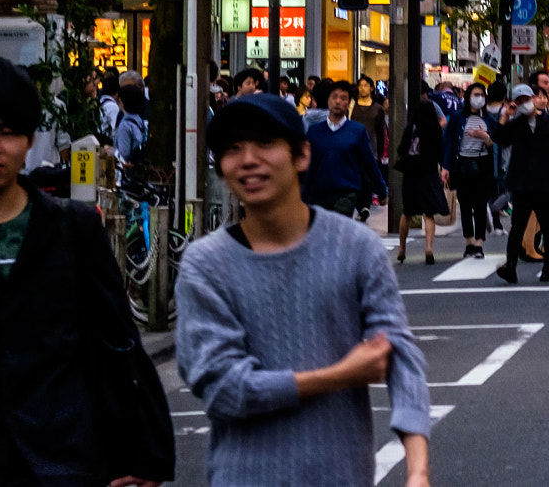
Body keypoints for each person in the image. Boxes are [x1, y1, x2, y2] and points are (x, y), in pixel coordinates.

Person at [0, 56, 173, 487]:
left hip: (67, 457)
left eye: (6, 131)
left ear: (29, 138)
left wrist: (138, 449)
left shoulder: (74, 229)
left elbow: (115, 341)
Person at [178, 92, 431, 487]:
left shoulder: (356, 248)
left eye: (264, 144)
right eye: (232, 149)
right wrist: (340, 375)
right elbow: (225, 388)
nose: (248, 160)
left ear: (302, 155)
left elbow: (399, 354)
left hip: (341, 476)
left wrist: (418, 469)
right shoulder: (205, 265)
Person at [492, 83, 549, 284]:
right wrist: (505, 116)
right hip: (522, 184)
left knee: (548, 227)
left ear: (534, 99)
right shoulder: (515, 124)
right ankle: (511, 266)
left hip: (546, 183)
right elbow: (499, 139)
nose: (524, 104)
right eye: (519, 102)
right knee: (517, 226)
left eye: (526, 99)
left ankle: (548, 267)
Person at [303, 79, 384, 217]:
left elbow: (369, 162)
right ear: (328, 100)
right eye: (334, 97)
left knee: (339, 226)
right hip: (320, 193)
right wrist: (303, 195)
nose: (338, 101)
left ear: (349, 103)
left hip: (346, 191)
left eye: (343, 98)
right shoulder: (314, 132)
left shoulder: (356, 131)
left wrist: (381, 189)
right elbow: (309, 165)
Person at [392, 85, 447, 266]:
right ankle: (429, 249)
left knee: (407, 213)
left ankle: (402, 249)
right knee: (428, 214)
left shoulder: (411, 128)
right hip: (429, 172)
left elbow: (401, 149)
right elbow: (440, 152)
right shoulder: (435, 130)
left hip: (411, 173)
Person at [443, 81, 497, 259]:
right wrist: (445, 167)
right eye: (475, 95)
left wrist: (485, 137)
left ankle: (479, 243)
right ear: (468, 98)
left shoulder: (489, 119)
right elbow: (449, 143)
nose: (479, 98)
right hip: (462, 166)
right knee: (465, 206)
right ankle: (469, 242)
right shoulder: (458, 118)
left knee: (480, 205)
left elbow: (495, 145)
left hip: (483, 167)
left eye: (482, 95)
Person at [351, 75, 387, 166]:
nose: (362, 88)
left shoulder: (378, 108)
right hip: (353, 147)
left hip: (372, 148)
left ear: (371, 88)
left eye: (365, 85)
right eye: (360, 85)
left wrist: (380, 152)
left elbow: (380, 133)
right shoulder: (351, 106)